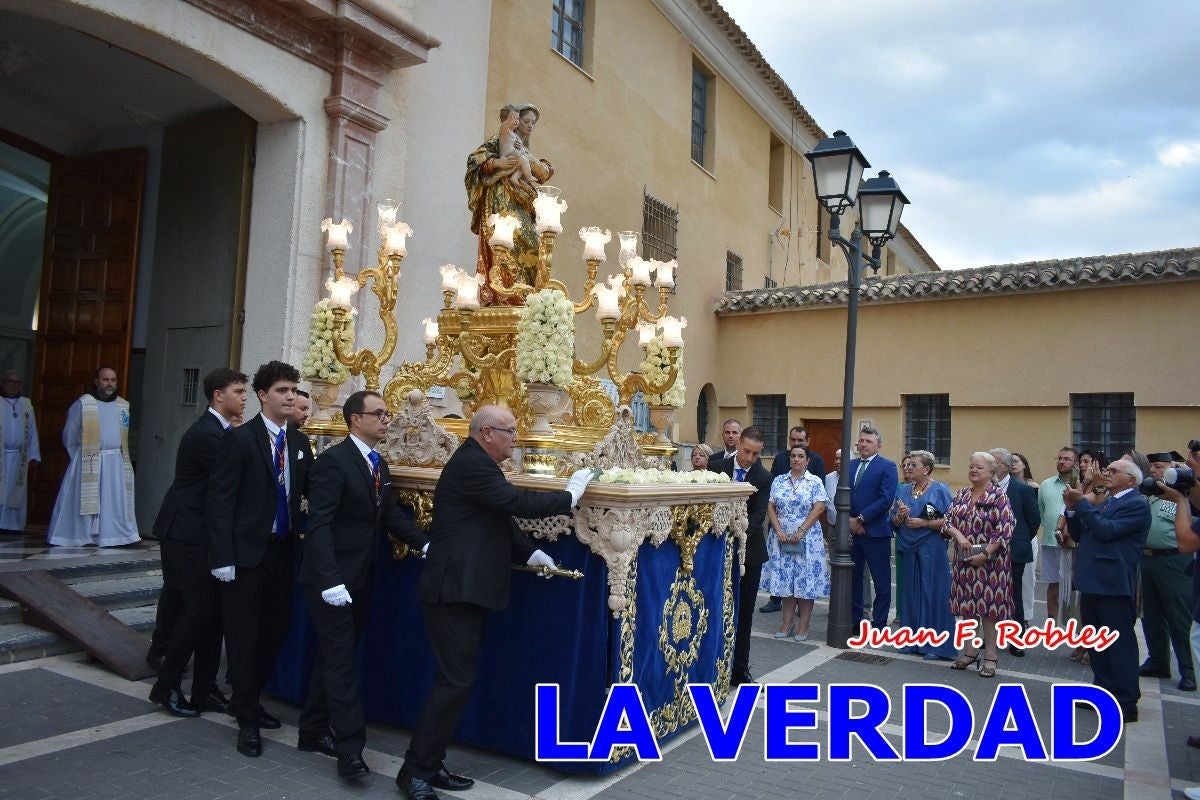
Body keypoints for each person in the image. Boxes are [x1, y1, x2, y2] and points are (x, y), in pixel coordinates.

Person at [395, 405, 593, 800]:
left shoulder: (479, 464)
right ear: (487, 433)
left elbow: (499, 519)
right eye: (510, 430)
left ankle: (429, 764)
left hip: (465, 590)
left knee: (457, 681)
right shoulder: (472, 464)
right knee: (454, 682)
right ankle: (414, 770)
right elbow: (518, 503)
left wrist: (530, 553)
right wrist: (570, 494)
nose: (515, 438)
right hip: (453, 591)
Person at [298, 391, 429, 779]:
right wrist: (329, 579)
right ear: (356, 419)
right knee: (340, 662)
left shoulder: (377, 464)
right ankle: (350, 751)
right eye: (380, 414)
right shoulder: (333, 463)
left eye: (387, 414)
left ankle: (311, 730)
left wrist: (424, 543)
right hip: (331, 581)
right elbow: (319, 524)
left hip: (360, 577)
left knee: (333, 656)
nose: (387, 420)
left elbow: (388, 515)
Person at [208, 361, 313, 758]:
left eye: (293, 390)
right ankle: (247, 718)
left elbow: (310, 491)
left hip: (283, 551)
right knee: (243, 636)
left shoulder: (299, 444)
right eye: (283, 390)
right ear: (262, 395)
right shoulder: (240, 440)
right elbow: (220, 502)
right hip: (246, 554)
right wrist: (222, 556)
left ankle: (246, 700)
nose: (291, 397)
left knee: (276, 629)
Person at [147, 368, 247, 719]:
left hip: (199, 532)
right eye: (238, 391)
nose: (244, 397)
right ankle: (166, 683)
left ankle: (204, 689)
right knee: (200, 609)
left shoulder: (222, 431)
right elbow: (235, 480)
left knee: (212, 613)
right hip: (186, 532)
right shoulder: (208, 435)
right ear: (218, 396)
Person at [1064, 456, 1150, 723]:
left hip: (1112, 582)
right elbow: (1081, 533)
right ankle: (1103, 691)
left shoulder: (1136, 503)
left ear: (1131, 479)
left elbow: (1107, 531)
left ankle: (1126, 700)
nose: (1106, 473)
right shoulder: (1108, 501)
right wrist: (1072, 511)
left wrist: (1083, 503)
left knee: (1119, 643)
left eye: (1114, 470)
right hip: (1093, 580)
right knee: (1096, 642)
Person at [465, 103, 552, 302]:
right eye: (526, 121)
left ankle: (525, 296)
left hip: (523, 203)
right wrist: (498, 163)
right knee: (507, 241)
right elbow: (474, 161)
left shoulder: (524, 149)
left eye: (533, 123)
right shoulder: (499, 140)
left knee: (532, 245)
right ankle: (504, 296)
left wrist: (536, 164)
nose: (530, 126)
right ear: (514, 120)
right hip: (501, 200)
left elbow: (543, 173)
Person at [707, 426, 772, 686]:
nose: (749, 458)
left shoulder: (763, 477)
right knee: (712, 607)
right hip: (715, 550)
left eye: (756, 454)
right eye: (746, 452)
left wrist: (736, 535)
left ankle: (739, 669)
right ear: (738, 446)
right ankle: (710, 666)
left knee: (743, 614)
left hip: (749, 554)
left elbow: (757, 518)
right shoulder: (716, 468)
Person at [47, 366, 139, 547]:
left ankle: (114, 536)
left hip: (114, 463)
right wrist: (81, 457)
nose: (109, 384)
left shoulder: (123, 405)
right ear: (96, 382)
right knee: (83, 500)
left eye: (113, 380)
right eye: (105, 380)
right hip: (88, 461)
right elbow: (70, 436)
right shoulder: (83, 403)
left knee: (112, 500)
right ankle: (80, 536)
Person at [946, 451, 1015, 678]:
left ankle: (991, 656)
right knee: (966, 609)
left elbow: (1005, 529)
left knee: (989, 611)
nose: (973, 471)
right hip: (964, 560)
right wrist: (958, 535)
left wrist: (986, 553)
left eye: (979, 468)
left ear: (991, 472)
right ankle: (969, 651)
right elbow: (946, 521)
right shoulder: (962, 494)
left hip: (991, 564)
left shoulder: (998, 496)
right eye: (971, 467)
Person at [1136, 451, 1196, 691]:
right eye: (1151, 468)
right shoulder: (1150, 495)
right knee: (1151, 615)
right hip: (1148, 559)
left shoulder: (1184, 496)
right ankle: (1158, 660)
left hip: (1174, 561)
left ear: (1172, 468)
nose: (1153, 472)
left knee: (1179, 617)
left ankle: (1189, 670)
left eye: (1159, 467)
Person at [891, 450, 956, 660]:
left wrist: (924, 523)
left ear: (926, 469)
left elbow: (948, 522)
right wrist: (899, 518)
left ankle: (936, 646)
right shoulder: (902, 491)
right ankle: (912, 642)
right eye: (907, 465)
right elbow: (892, 521)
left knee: (932, 593)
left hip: (931, 548)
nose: (908, 468)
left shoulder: (938, 491)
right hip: (908, 548)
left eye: (913, 465)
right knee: (910, 593)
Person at [762, 445, 828, 641]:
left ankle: (804, 625)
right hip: (781, 537)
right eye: (793, 456)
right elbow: (770, 506)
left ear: (808, 461)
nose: (796, 459)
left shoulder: (814, 481)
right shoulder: (779, 480)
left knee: (804, 582)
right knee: (786, 581)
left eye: (801, 456)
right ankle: (787, 622)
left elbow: (819, 507)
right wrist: (778, 530)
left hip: (807, 538)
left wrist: (801, 530)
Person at [990, 448, 1040, 658]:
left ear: (1007, 467)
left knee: (1013, 595)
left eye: (996, 463)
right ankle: (991, 637)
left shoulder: (1023, 490)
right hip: (987, 550)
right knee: (990, 595)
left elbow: (1033, 521)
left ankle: (1016, 639)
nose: (991, 467)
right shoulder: (983, 488)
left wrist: (1017, 540)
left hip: (1013, 550)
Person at [847, 426, 898, 629]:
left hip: (875, 533)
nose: (864, 444)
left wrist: (861, 518)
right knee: (854, 579)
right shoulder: (849, 466)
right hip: (853, 532)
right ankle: (856, 620)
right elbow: (841, 495)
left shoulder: (887, 466)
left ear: (879, 445)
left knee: (881, 582)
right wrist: (851, 520)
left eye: (868, 441)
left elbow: (886, 499)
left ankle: (879, 623)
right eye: (861, 441)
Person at [1039, 447, 1077, 627]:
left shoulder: (1080, 486)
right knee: (1052, 586)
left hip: (1072, 544)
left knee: (1073, 589)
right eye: (1060, 458)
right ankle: (1051, 626)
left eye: (1067, 459)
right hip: (1050, 542)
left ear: (1075, 464)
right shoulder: (1046, 485)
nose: (1062, 462)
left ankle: (1073, 627)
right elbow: (1042, 512)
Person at [0, 371, 40, 533]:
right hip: (1, 457)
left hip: (18, 457)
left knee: (15, 493)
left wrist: (33, 454)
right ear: (3, 383)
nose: (14, 385)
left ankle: (12, 525)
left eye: (18, 383)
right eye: (10, 382)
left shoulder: (26, 403)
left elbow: (32, 430)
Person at [497, 105, 537, 189]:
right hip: (508, 157)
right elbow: (480, 159)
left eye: (518, 119)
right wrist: (496, 163)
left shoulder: (512, 134)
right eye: (526, 121)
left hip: (514, 157)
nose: (530, 125)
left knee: (525, 162)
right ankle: (528, 177)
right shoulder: (505, 131)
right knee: (525, 160)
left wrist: (521, 148)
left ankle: (515, 177)